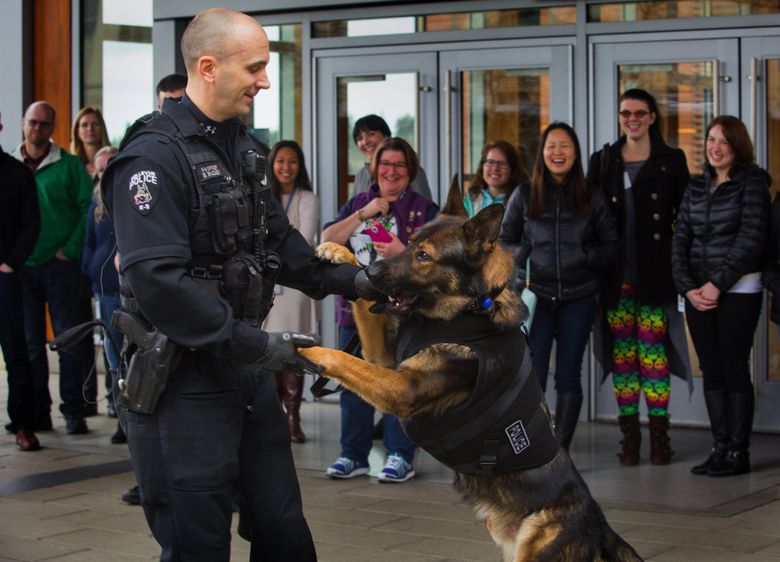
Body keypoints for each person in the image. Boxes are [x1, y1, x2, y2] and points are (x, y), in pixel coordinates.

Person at [102, 8, 380, 560]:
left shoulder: (246, 150)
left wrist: (367, 281)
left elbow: (289, 253)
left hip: (247, 373)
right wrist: (263, 346)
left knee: (283, 533)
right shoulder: (151, 159)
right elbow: (159, 285)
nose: (265, 81)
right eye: (255, 67)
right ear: (208, 67)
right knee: (197, 547)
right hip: (182, 384)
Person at [321, 136, 438, 483]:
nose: (391, 171)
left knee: (400, 382)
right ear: (374, 168)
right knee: (353, 380)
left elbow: (437, 260)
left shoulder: (424, 209)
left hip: (405, 314)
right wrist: (364, 213)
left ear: (410, 170)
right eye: (385, 164)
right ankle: (352, 455)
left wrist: (403, 249)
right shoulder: (360, 201)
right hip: (355, 309)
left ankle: (400, 455)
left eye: (399, 165)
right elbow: (328, 238)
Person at [587, 88, 692, 466]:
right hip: (616, 280)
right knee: (625, 359)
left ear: (651, 117)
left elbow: (688, 218)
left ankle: (660, 439)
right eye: (625, 113)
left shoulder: (671, 160)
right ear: (619, 117)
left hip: (655, 279)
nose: (631, 119)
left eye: (639, 113)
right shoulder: (604, 161)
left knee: (653, 359)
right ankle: (629, 439)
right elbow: (589, 221)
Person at [499, 122, 618, 450]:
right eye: (551, 145)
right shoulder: (525, 193)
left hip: (578, 299)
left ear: (575, 152)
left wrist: (583, 255)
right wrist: (528, 255)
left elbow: (612, 245)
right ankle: (536, 443)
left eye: (565, 145)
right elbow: (505, 240)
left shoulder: (591, 195)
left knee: (568, 374)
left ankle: (559, 449)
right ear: (542, 153)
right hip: (537, 298)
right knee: (533, 375)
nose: (557, 152)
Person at [672, 115, 771, 477]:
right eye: (711, 140)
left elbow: (751, 239)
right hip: (698, 293)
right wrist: (687, 287)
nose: (715, 147)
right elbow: (680, 237)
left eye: (723, 142)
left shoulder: (753, 184)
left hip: (739, 290)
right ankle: (719, 448)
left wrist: (717, 283)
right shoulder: (697, 187)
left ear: (737, 147)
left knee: (733, 368)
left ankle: (737, 453)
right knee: (711, 370)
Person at [12, 101, 94, 435]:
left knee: (68, 341)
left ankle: (74, 410)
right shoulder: (11, 164)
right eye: (34, 123)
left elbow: (88, 208)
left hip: (60, 266)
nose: (38, 129)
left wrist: (70, 249)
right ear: (23, 124)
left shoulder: (69, 166)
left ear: (53, 128)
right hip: (21, 267)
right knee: (30, 344)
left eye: (45, 124)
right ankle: (37, 414)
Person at [262, 140, 320, 443]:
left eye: (293, 161)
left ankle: (292, 418)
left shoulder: (308, 198)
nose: (286, 167)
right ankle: (273, 416)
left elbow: (303, 238)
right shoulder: (261, 196)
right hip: (268, 284)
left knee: (293, 350)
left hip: (295, 284)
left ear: (300, 166)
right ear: (271, 164)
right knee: (270, 349)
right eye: (280, 161)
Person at [0, 111, 42, 451]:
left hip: (6, 279)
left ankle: (24, 425)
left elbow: (32, 224)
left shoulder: (16, 174)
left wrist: (11, 263)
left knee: (17, 353)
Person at [81, 145, 124, 443]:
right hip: (105, 291)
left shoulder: (132, 199)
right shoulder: (95, 204)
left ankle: (135, 421)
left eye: (110, 165)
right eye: (100, 168)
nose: (105, 172)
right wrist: (90, 267)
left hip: (130, 292)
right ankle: (122, 420)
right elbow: (88, 243)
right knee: (113, 359)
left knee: (129, 357)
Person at [351, 114, 432, 199]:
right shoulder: (361, 175)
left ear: (387, 136)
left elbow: (425, 208)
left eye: (371, 134)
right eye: (359, 138)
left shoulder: (412, 169)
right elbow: (351, 210)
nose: (365, 142)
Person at [465, 140, 525, 217]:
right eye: (490, 162)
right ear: (482, 166)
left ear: (512, 169)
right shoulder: (470, 201)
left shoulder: (521, 202)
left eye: (502, 164)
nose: (495, 168)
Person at [70, 107, 110, 177]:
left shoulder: (112, 160)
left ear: (102, 129)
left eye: (95, 124)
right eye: (84, 125)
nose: (90, 128)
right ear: (77, 132)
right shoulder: (71, 166)